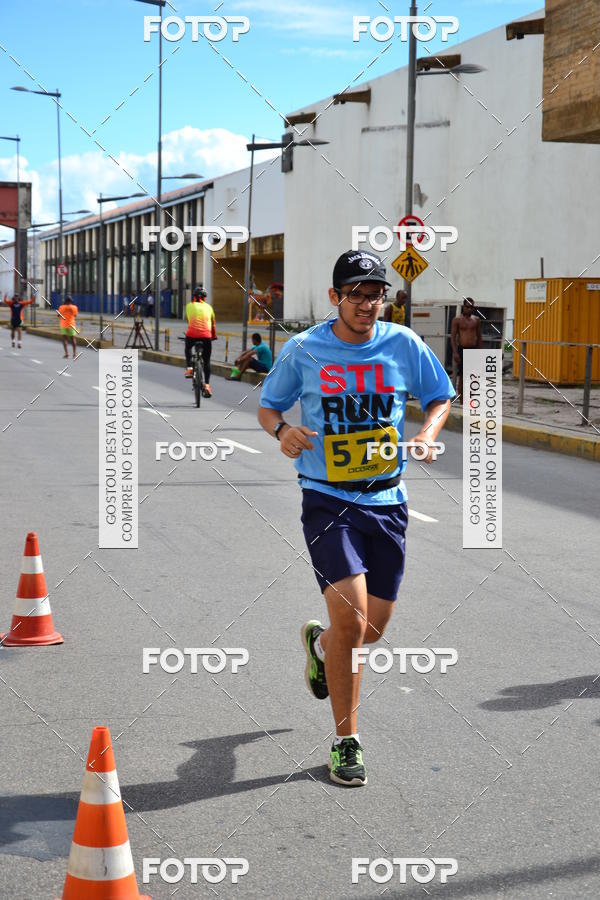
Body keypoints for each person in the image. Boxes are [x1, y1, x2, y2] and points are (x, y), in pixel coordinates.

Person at [258, 250, 454, 787]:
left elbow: (440, 397)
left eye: (376, 294)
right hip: (327, 499)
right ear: (334, 297)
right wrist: (283, 432)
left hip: (388, 500)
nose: (368, 304)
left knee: (372, 629)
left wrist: (426, 435)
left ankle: (322, 647)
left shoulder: (403, 344)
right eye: (357, 294)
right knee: (352, 620)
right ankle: (347, 740)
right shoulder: (304, 349)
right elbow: (268, 406)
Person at [184, 286, 216, 398]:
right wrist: (213, 336)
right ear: (204, 298)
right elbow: (212, 325)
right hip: (206, 336)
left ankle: (189, 368)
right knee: (206, 362)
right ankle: (207, 385)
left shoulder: (188, 306)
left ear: (194, 297)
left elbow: (189, 321)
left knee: (188, 347)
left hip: (192, 335)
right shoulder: (209, 307)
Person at [450, 297, 483, 401]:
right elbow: (453, 337)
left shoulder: (476, 320)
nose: (469, 309)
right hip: (462, 349)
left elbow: (479, 337)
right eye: (468, 307)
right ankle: (462, 401)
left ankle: (471, 399)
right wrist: (455, 352)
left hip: (473, 349)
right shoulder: (457, 320)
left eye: (471, 307)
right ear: (464, 307)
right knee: (463, 376)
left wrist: (480, 352)